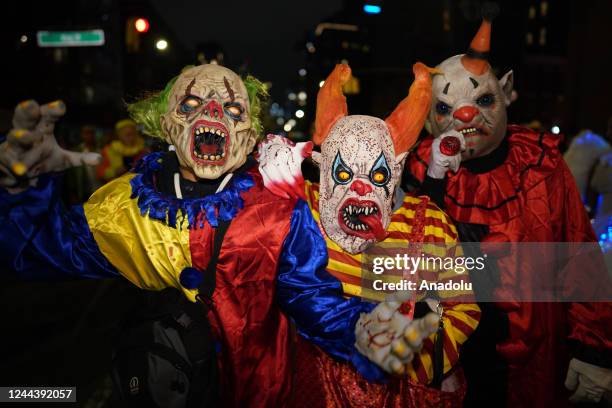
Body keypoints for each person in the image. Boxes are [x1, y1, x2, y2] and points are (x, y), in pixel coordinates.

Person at [0, 64, 438, 407]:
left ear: (248, 135)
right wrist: (26, 190)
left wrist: (363, 333)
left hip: (258, 395)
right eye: (191, 106)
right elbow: (34, 249)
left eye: (232, 110)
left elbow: (313, 297)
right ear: (165, 124)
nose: (212, 114)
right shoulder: (125, 208)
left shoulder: (278, 212)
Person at [405, 12, 612, 408]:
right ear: (430, 118)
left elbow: (579, 255)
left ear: (506, 93)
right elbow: (401, 262)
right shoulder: (414, 168)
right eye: (446, 108)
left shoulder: (540, 167)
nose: (465, 116)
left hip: (528, 357)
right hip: (446, 357)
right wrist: (431, 181)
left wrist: (594, 350)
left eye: (482, 99)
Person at [258, 62, 480, 407]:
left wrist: (410, 362)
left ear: (396, 169)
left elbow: (462, 308)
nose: (359, 189)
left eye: (376, 177)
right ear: (321, 165)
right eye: (344, 173)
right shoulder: (300, 208)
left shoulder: (429, 222)